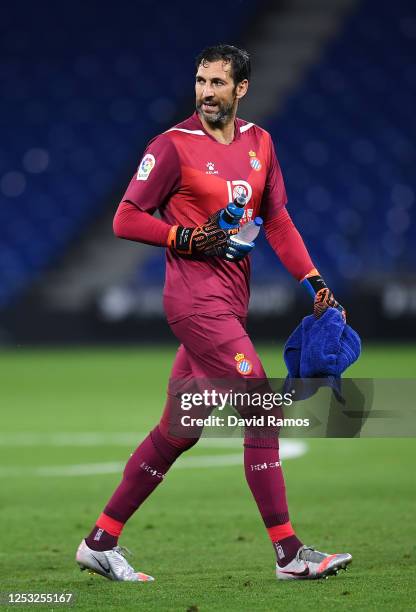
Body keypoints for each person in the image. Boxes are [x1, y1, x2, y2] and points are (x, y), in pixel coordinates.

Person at [76, 44, 351, 582]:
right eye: (201, 81)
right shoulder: (172, 146)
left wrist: (313, 279)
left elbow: (277, 222)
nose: (206, 92)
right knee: (264, 410)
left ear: (241, 88)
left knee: (179, 429)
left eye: (218, 83)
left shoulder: (260, 144)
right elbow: (125, 218)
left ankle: (100, 541)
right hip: (195, 307)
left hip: (228, 306)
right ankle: (289, 553)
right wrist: (181, 235)